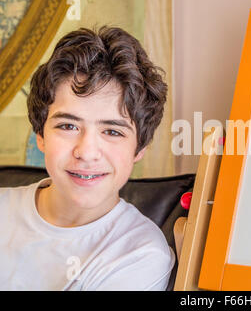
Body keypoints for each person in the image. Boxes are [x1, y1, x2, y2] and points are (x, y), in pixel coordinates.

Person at [0, 26, 175, 290]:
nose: (87, 152)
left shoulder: (140, 256)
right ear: (40, 134)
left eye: (113, 131)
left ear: (139, 148)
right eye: (68, 126)